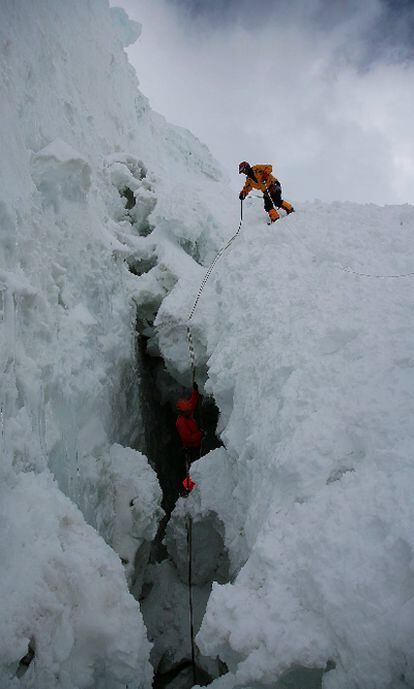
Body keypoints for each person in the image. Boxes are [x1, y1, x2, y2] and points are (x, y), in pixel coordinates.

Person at [175, 382, 203, 464]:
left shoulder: (187, 413)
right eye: (187, 411)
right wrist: (200, 434)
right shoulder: (181, 423)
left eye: (188, 410)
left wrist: (195, 390)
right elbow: (189, 439)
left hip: (198, 443)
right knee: (195, 463)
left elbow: (193, 402)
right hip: (192, 448)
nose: (189, 411)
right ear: (182, 412)